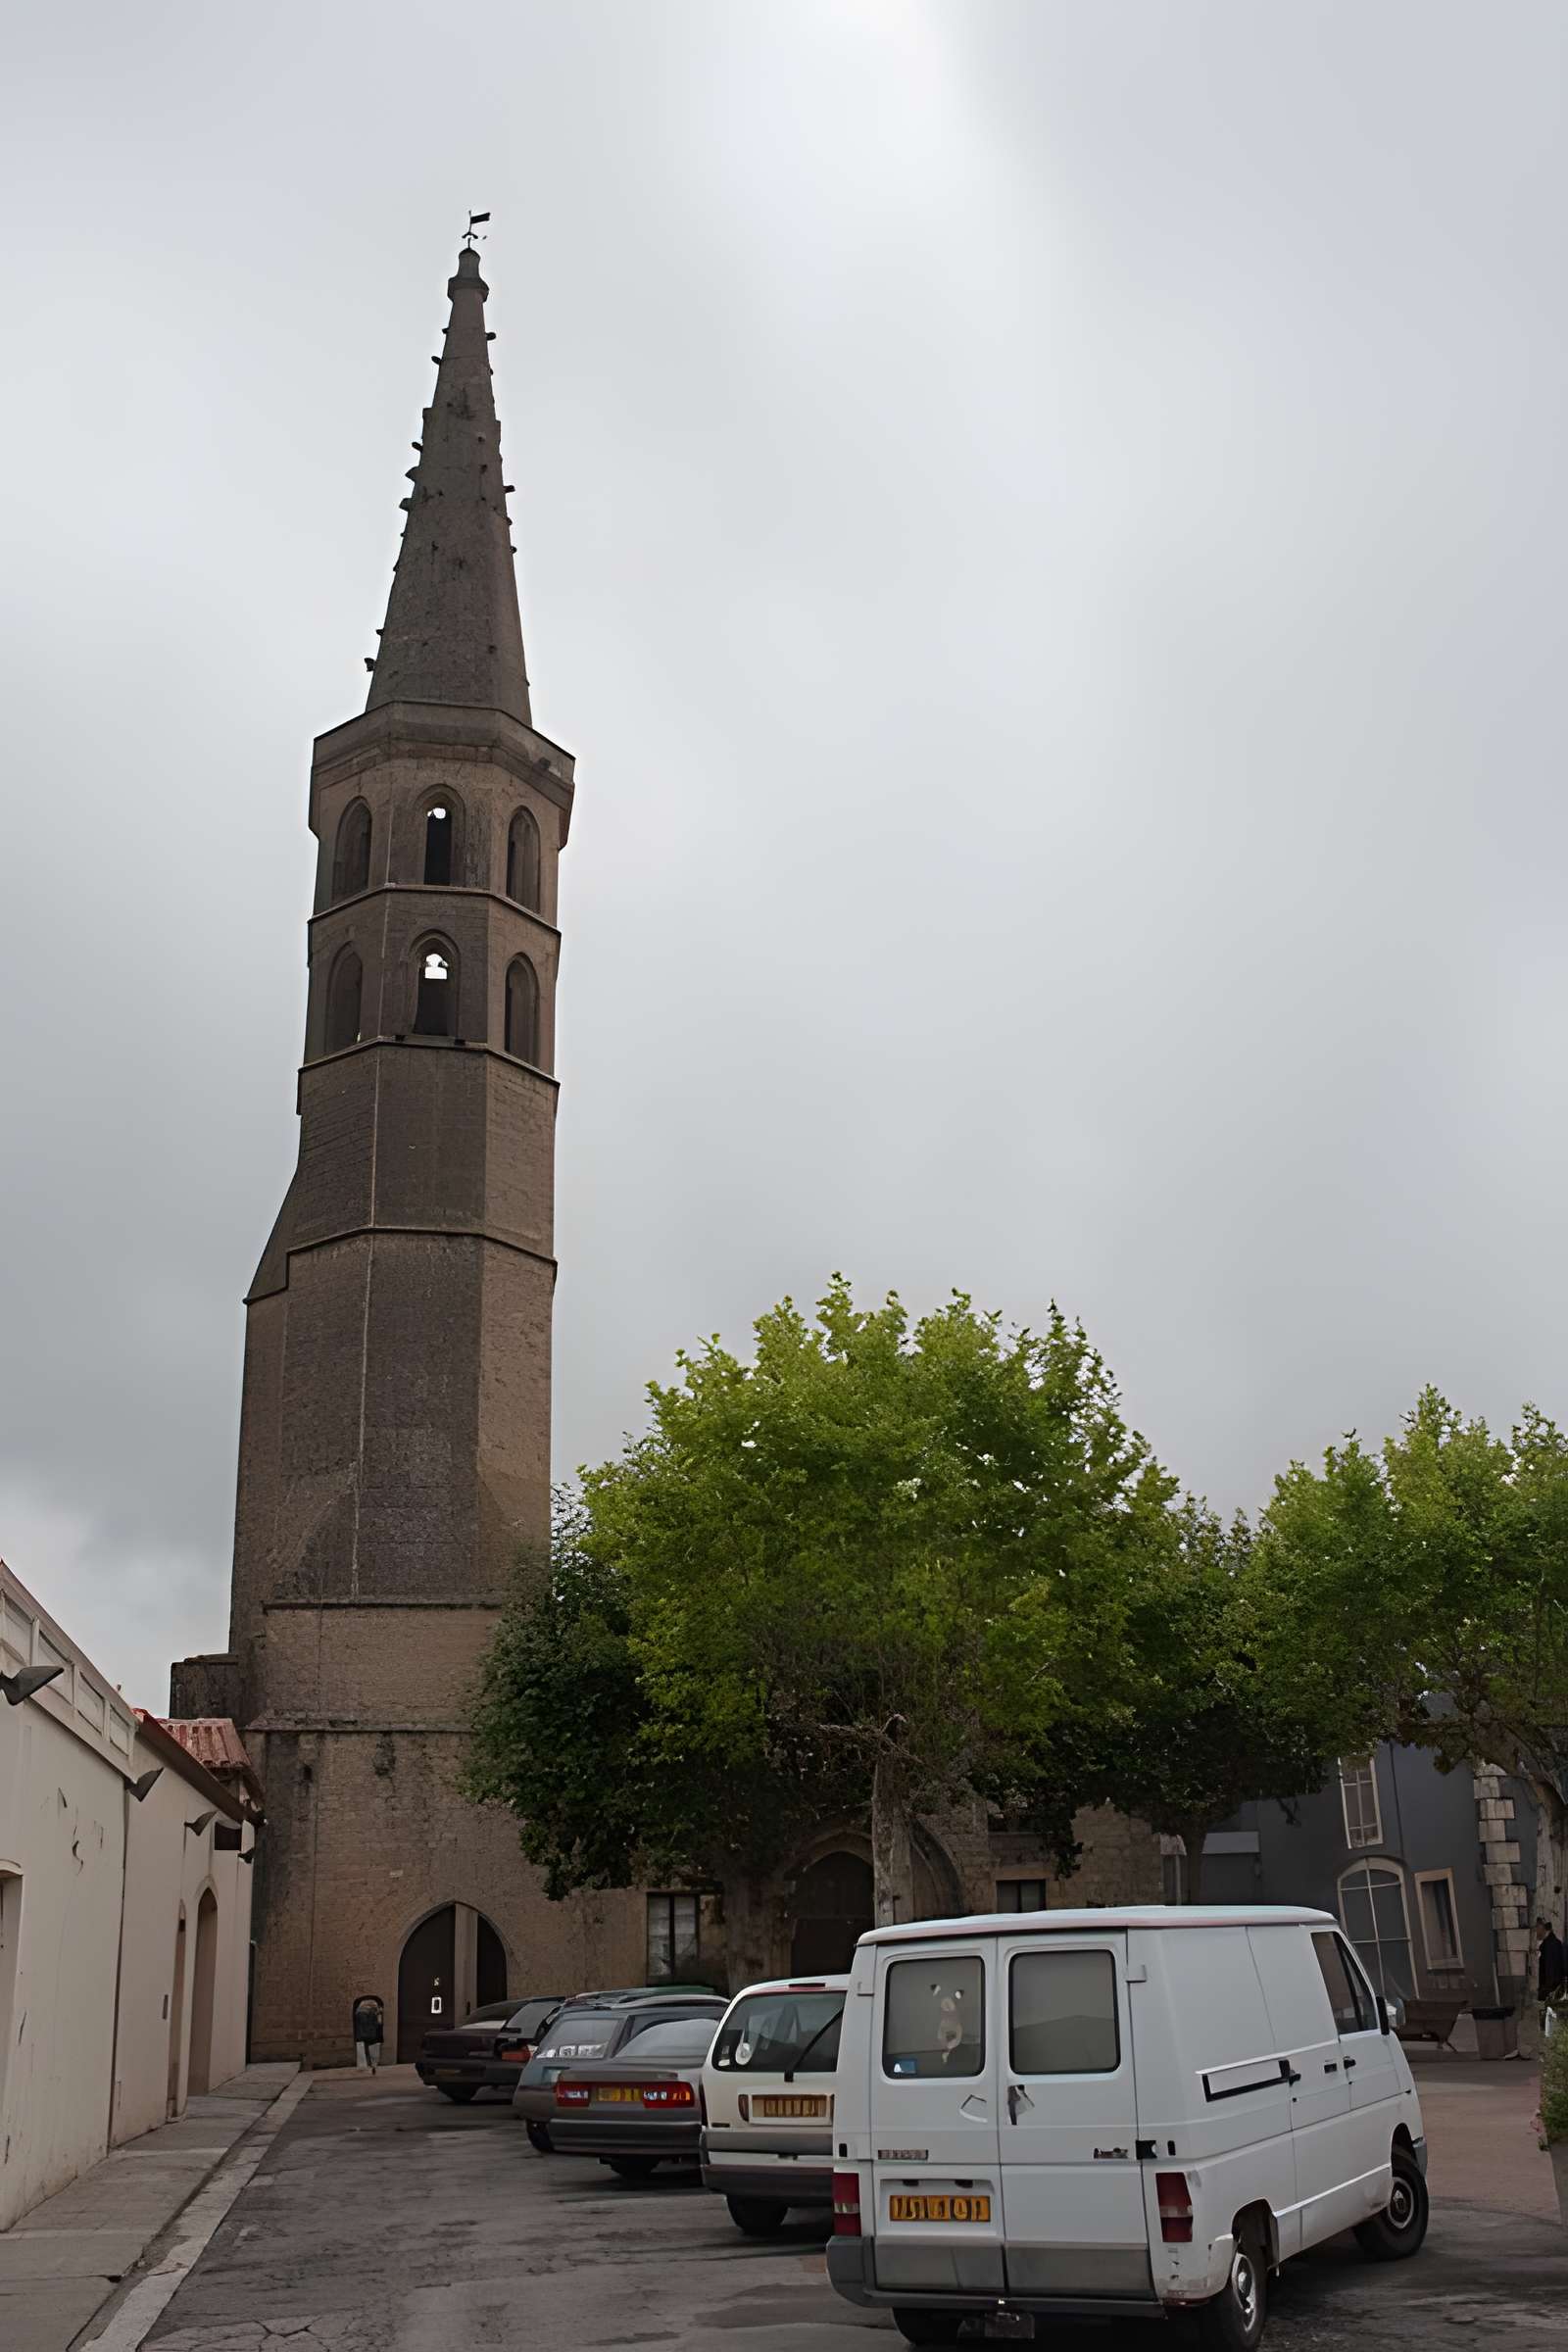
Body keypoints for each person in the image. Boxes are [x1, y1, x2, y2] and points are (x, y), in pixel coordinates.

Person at [1539, 1915, 1566, 2038]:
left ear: (1543, 1927)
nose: (1536, 1931)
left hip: (1552, 1991)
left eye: (1537, 1927)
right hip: (1553, 1990)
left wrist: (1546, 1990)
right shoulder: (1552, 1944)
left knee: (1550, 2026)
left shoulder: (1550, 1945)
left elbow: (1551, 1970)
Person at [353, 1993, 384, 2074]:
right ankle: (374, 2064)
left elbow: (358, 2024)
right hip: (373, 2034)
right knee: (374, 2049)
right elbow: (379, 2023)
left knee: (361, 2047)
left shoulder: (359, 2012)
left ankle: (362, 2066)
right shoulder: (376, 2011)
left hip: (362, 2034)